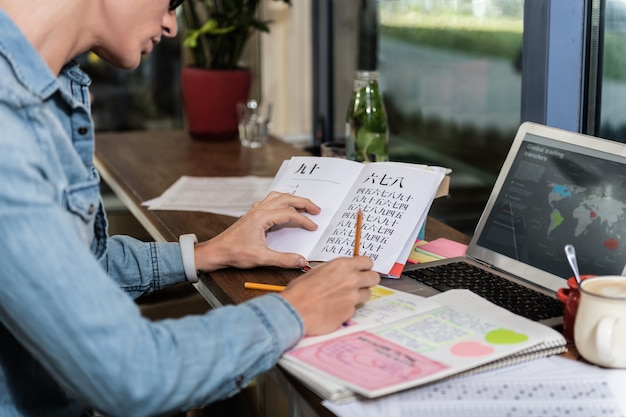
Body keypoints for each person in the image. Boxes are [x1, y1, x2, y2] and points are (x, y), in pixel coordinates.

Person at [0, 1, 381, 416]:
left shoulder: (41, 93)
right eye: (171, 3)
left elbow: (76, 270)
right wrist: (297, 310)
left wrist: (210, 252)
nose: (171, 26)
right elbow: (134, 375)